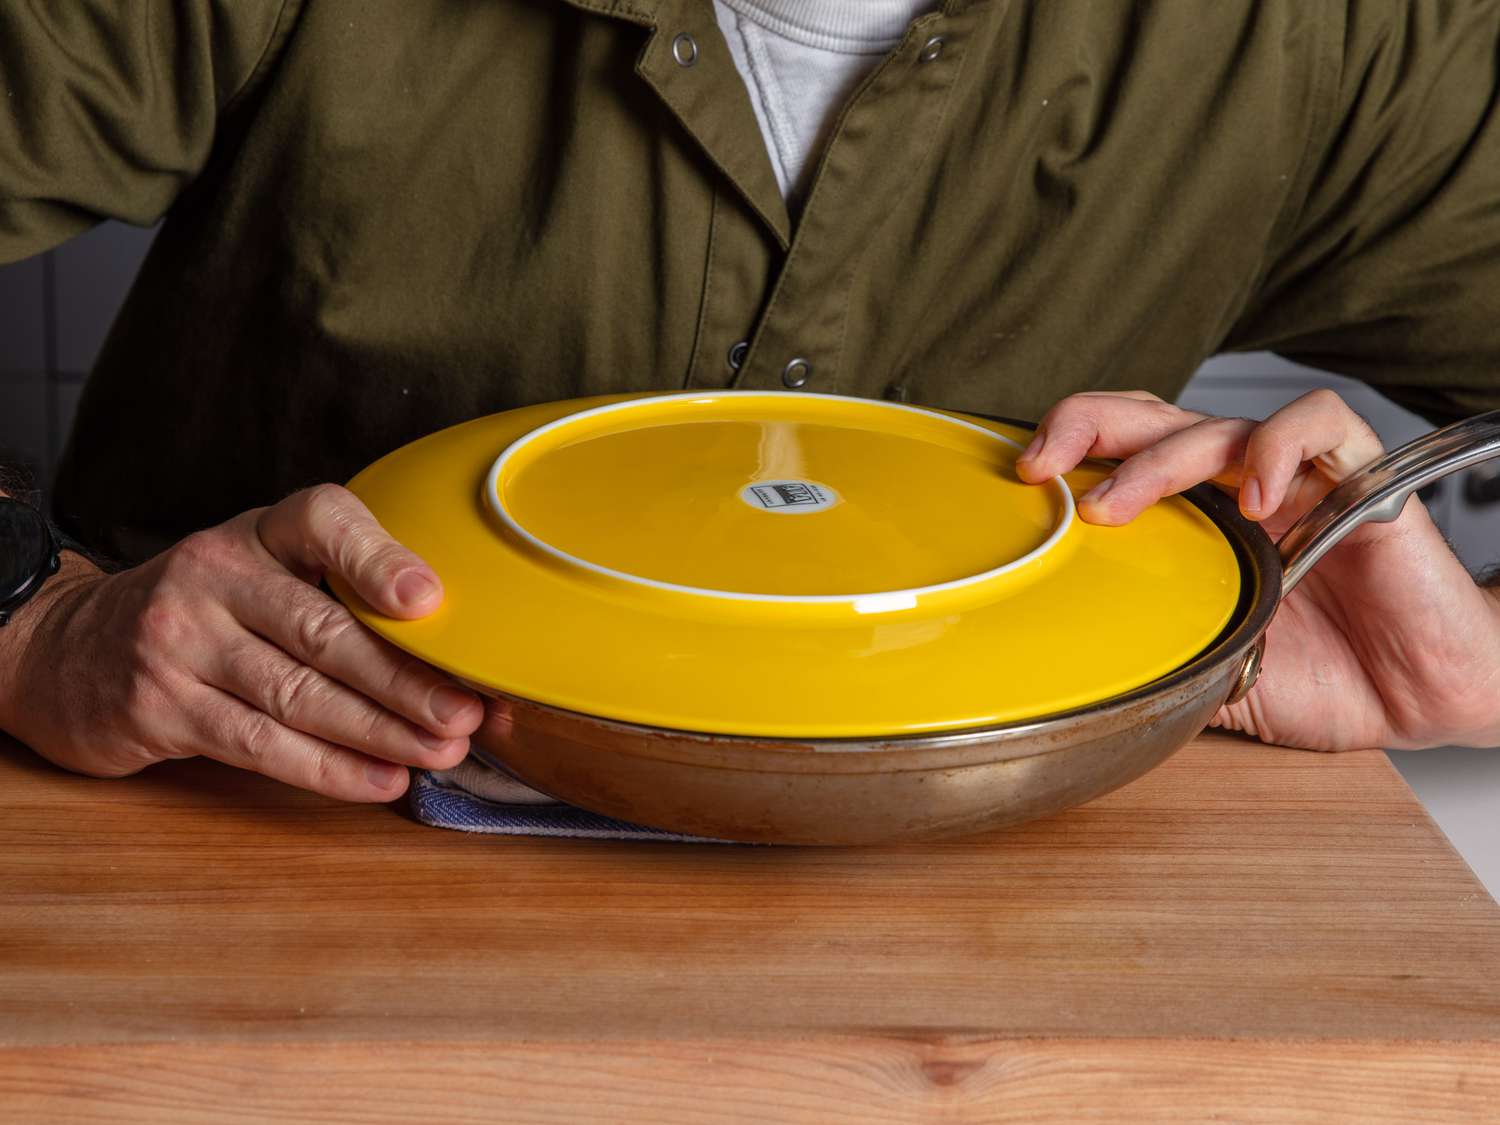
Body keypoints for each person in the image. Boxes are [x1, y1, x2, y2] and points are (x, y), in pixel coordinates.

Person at [1, 0, 1498, 803]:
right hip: (234, 848)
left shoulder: (1344, 35)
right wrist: (32, 626)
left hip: (993, 950)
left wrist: (1471, 669)